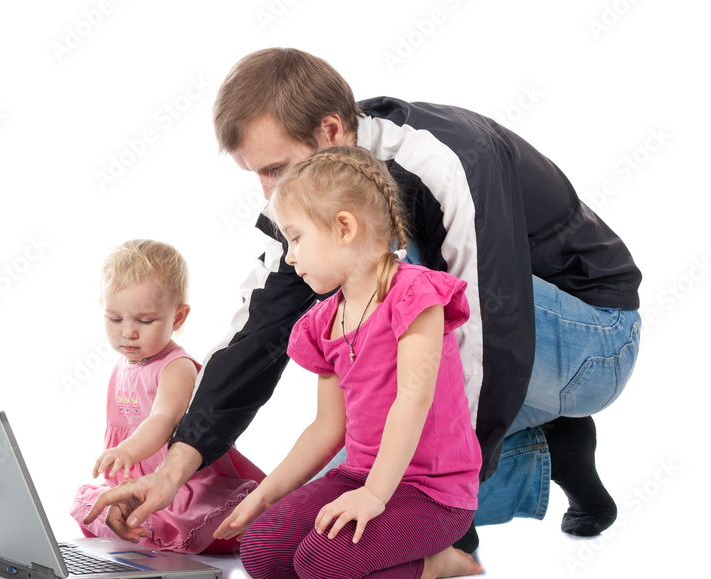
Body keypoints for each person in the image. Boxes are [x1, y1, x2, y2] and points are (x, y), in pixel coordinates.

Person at [85, 48, 642, 550]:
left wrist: (439, 511)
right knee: (338, 487)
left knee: (403, 286)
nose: (269, 193)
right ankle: (554, 455)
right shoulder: (314, 194)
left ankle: (483, 479)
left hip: (594, 336)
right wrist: (173, 468)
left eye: (276, 168)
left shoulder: (447, 161)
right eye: (256, 175)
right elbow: (259, 332)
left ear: (331, 130)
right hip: (506, 342)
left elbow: (491, 328)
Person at [212, 146, 482, 579]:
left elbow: (412, 399)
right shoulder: (322, 323)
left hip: (431, 492)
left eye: (295, 238)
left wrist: (374, 496)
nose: (291, 257)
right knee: (261, 552)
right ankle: (377, 541)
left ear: (343, 228)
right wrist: (265, 494)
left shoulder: (416, 294)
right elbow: (327, 426)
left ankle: (435, 563)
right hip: (359, 476)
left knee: (326, 568)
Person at [69, 239, 264, 554]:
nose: (128, 332)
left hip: (182, 481)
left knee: (199, 521)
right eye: (115, 318)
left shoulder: (176, 367)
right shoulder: (123, 365)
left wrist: (128, 450)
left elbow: (163, 419)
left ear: (178, 318)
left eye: (145, 321)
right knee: (98, 506)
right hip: (137, 480)